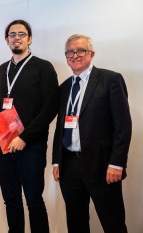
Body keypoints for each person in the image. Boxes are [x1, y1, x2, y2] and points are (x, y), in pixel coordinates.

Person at [52, 34, 132, 233]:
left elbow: (123, 126)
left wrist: (117, 163)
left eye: (81, 50)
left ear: (91, 54)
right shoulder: (64, 88)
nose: (75, 55)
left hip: (102, 165)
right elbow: (60, 127)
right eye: (70, 51)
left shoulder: (110, 80)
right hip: (69, 166)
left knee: (112, 222)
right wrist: (57, 161)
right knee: (76, 223)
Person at [0, 19, 59, 233]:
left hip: (32, 147)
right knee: (11, 200)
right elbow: (1, 99)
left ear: (29, 39)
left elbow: (50, 108)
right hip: (5, 146)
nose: (16, 38)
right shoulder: (3, 68)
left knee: (33, 201)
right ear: (6, 39)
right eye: (12, 34)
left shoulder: (43, 67)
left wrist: (25, 138)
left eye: (21, 34)